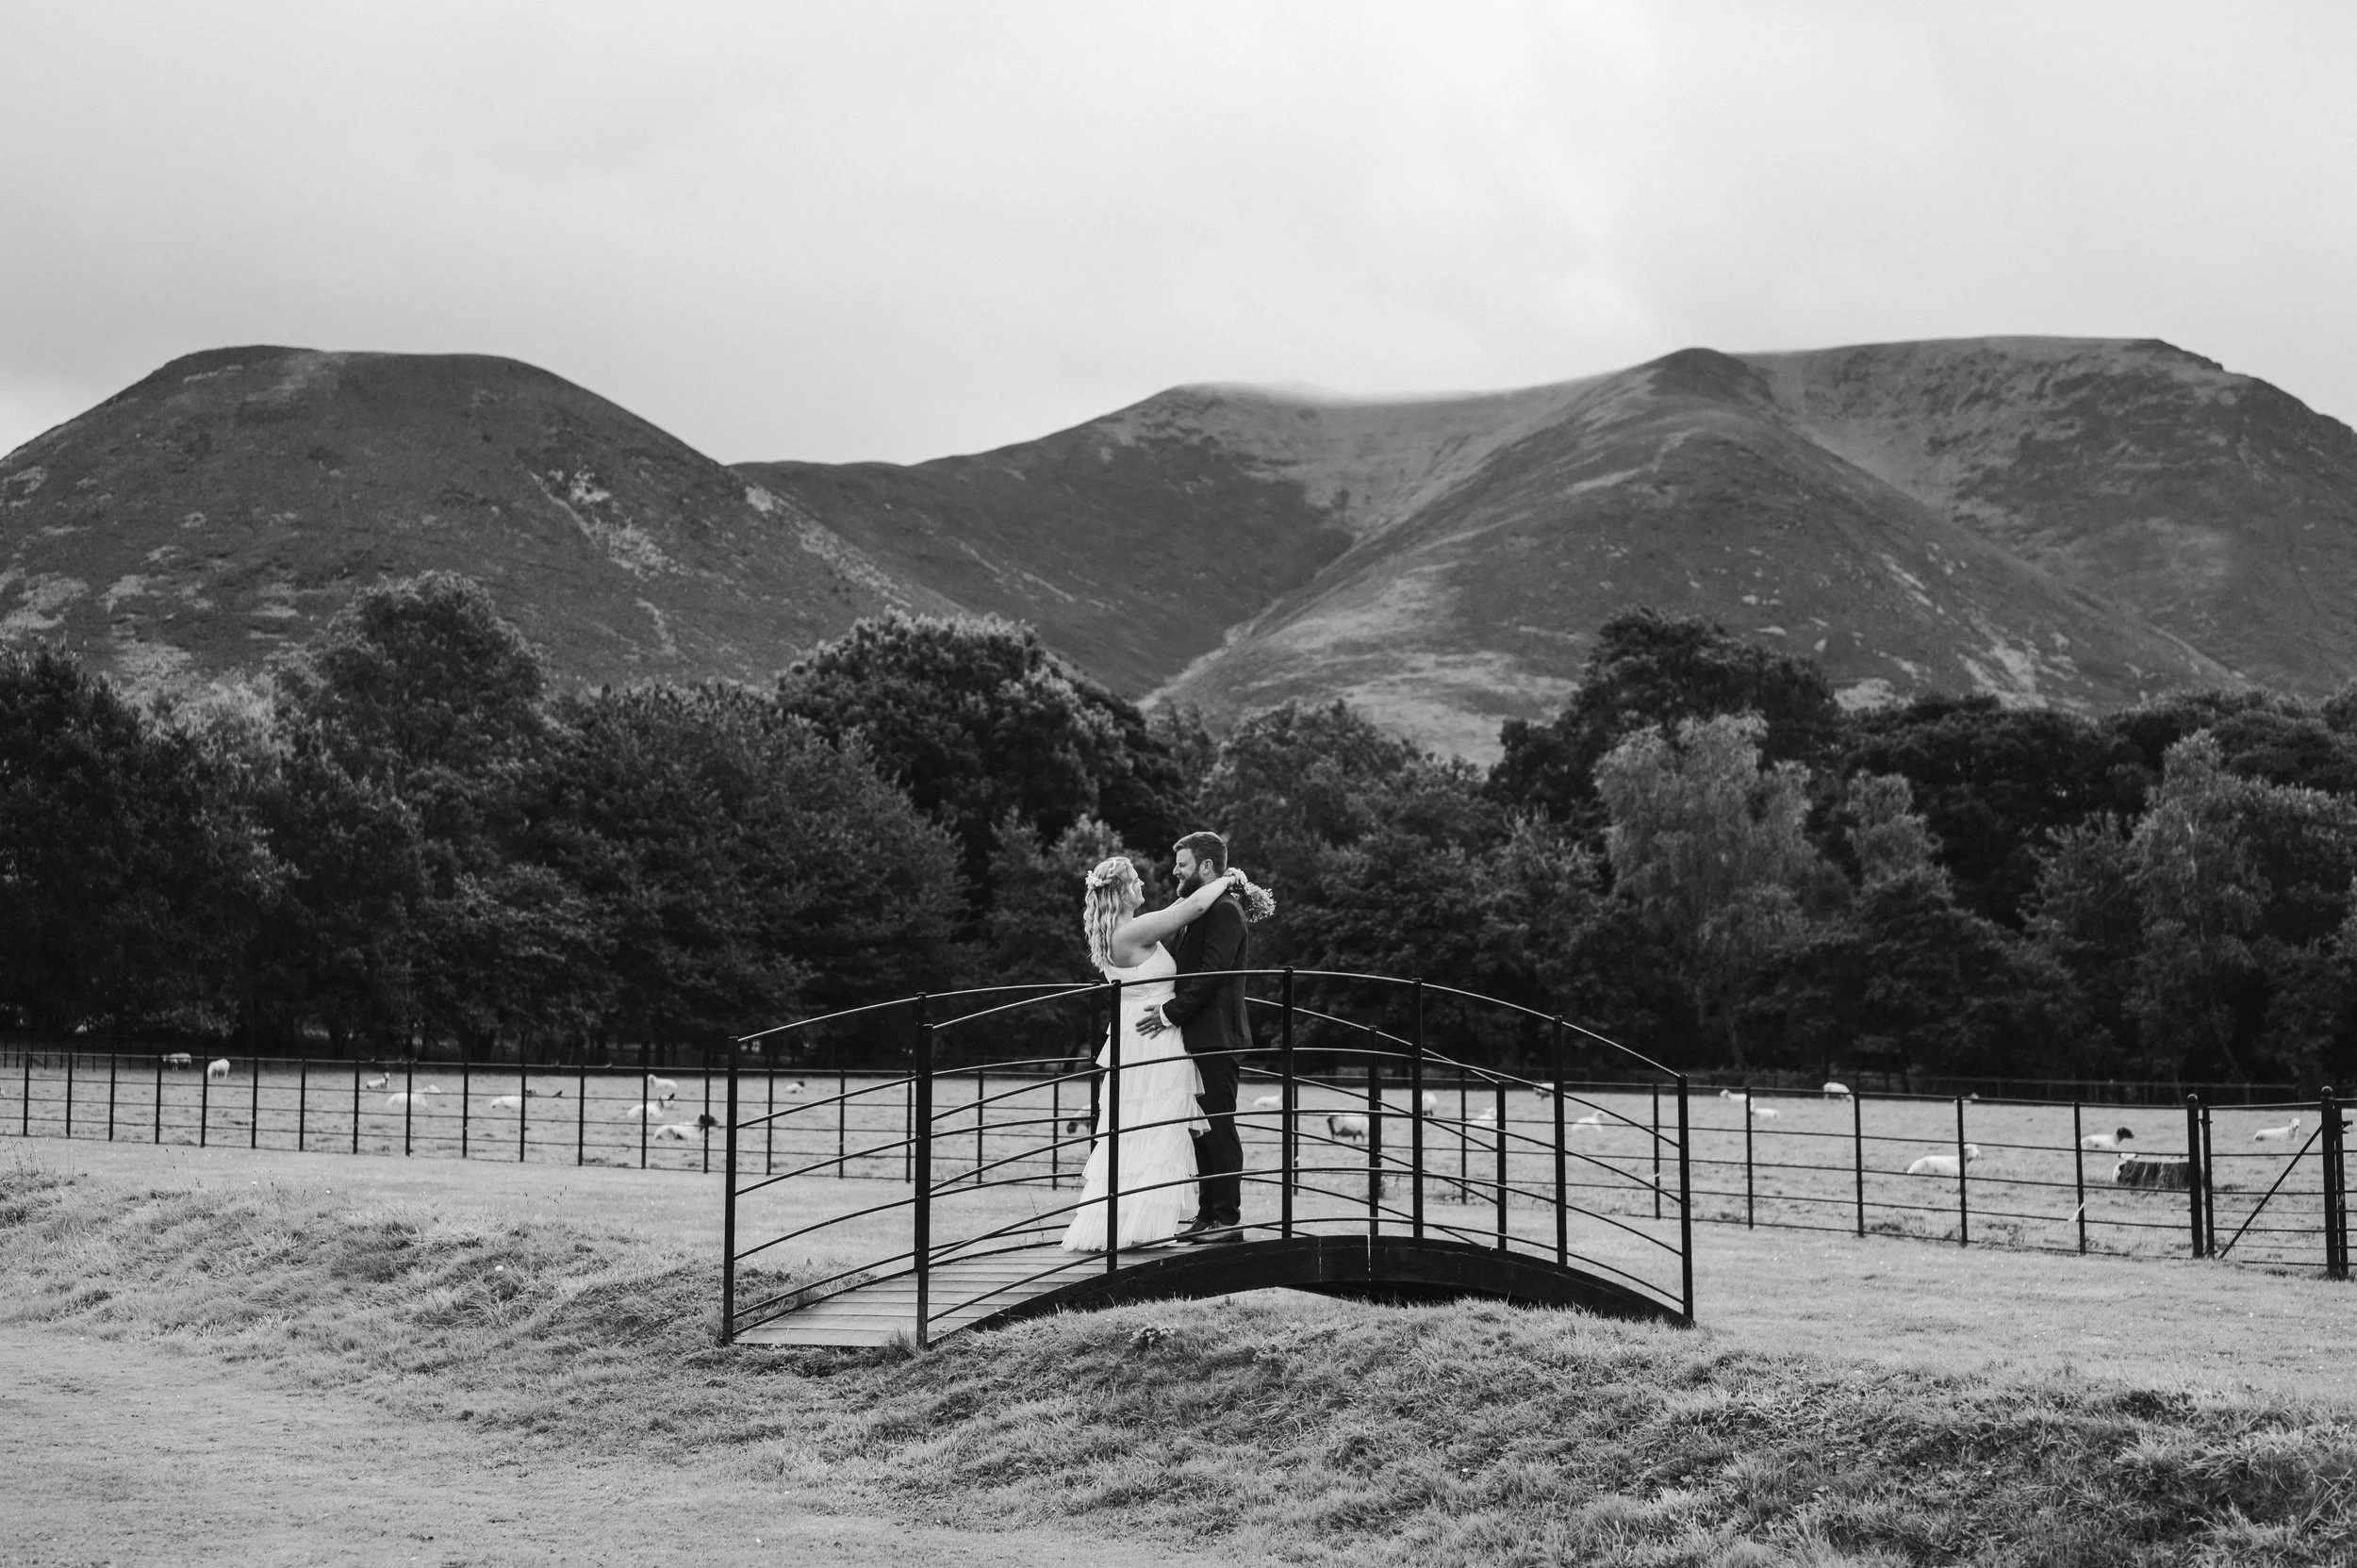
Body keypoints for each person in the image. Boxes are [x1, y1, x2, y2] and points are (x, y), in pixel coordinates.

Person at [1059, 855, 1250, 1252]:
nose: (1143, 884)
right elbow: (1193, 907)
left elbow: (1182, 908)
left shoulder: (1119, 931)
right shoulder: (1133, 931)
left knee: (1144, 1130)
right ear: (1121, 893)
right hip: (1156, 1037)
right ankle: (1146, 1223)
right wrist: (1231, 878)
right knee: (1158, 1129)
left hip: (1138, 1038)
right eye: (1135, 880)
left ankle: (1142, 1219)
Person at [1136, 831, 1270, 1246]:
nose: (1175, 870)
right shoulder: (1203, 908)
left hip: (1217, 1036)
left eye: (1183, 863)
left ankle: (1227, 1220)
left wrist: (1169, 1013)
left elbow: (1213, 974)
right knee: (1200, 1128)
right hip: (1196, 1037)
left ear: (1207, 866)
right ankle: (1206, 1215)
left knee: (1218, 1125)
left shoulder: (1226, 911)